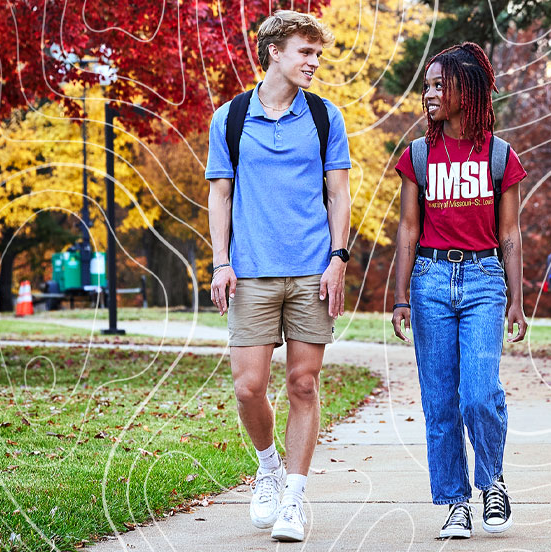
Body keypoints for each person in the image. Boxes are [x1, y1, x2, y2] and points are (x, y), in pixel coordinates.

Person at [203, 10, 351, 543]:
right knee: (248, 387)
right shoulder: (230, 118)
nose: (314, 62)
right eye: (304, 52)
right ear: (274, 52)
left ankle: (293, 496)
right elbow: (220, 195)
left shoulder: (325, 117)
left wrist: (338, 257)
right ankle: (266, 466)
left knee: (303, 383)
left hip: (313, 270)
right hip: (252, 272)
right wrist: (221, 261)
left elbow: (338, 193)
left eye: (317, 53)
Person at [391, 42, 528, 540]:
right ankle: (455, 503)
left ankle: (492, 481)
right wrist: (402, 295)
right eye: (425, 86)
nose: (428, 94)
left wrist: (516, 298)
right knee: (440, 402)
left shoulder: (498, 155)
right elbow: (407, 229)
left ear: (465, 90)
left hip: (483, 282)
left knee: (478, 394)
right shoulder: (419, 154)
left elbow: (510, 233)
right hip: (429, 282)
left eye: (438, 85)